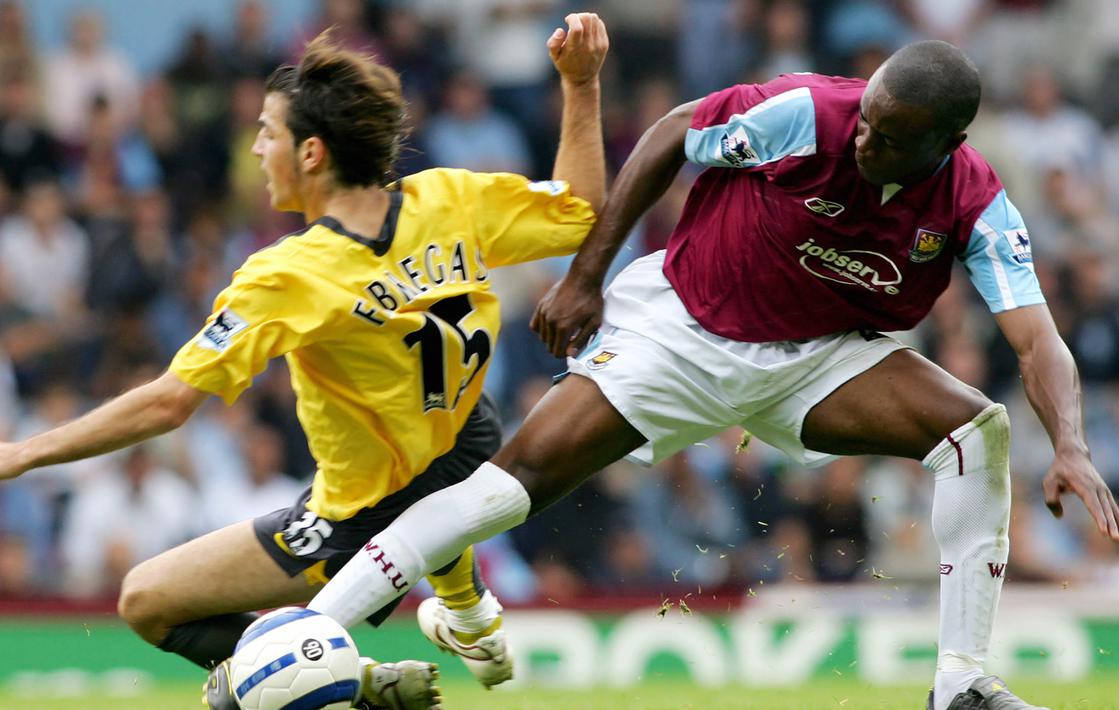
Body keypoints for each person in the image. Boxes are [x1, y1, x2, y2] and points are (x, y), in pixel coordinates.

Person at [305, 40, 1119, 710]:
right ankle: (305, 633)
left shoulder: (974, 202)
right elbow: (668, 133)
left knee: (977, 430)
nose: (864, 142)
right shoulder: (806, 114)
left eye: (890, 137)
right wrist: (586, 275)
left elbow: (1036, 338)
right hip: (680, 333)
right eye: (866, 121)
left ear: (949, 143)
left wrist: (1072, 446)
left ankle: (961, 684)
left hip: (815, 359)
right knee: (505, 491)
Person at [0, 14, 609, 710]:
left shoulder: (288, 275)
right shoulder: (451, 198)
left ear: (310, 153)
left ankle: (347, 675)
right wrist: (580, 86)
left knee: (147, 601)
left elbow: (169, 402)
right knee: (423, 445)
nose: (254, 148)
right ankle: (466, 616)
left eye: (266, 133)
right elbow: (583, 209)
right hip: (469, 447)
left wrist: (22, 452)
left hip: (363, 517)